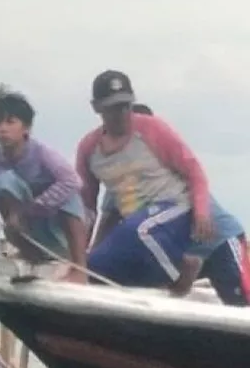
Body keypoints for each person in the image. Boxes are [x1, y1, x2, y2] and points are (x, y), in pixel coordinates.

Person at [76, 70, 249, 304]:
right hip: (162, 241)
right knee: (103, 264)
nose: (122, 115)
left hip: (212, 236)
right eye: (113, 108)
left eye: (126, 107)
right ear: (97, 108)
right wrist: (82, 259)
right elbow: (93, 212)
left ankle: (181, 280)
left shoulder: (153, 133)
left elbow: (194, 171)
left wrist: (200, 212)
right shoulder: (103, 165)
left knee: (240, 303)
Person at [0, 85, 89, 281]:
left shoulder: (42, 154)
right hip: (23, 230)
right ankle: (31, 256)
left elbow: (73, 181)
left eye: (10, 122)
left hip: (57, 229)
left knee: (70, 195)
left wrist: (35, 207)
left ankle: (79, 268)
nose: (3, 129)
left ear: (26, 127)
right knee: (4, 182)